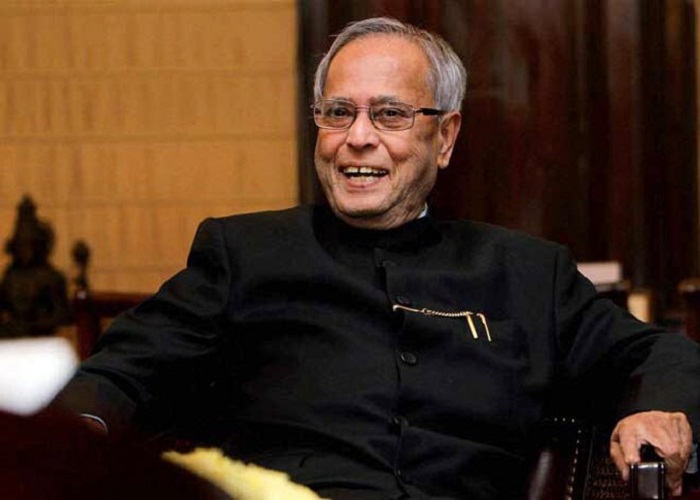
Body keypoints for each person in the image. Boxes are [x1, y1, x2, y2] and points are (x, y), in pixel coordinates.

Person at [55, 17, 699, 499]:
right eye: (339, 113)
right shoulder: (245, 254)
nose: (357, 137)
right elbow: (122, 372)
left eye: (389, 114)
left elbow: (659, 354)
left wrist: (657, 410)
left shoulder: (527, 272)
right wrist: (68, 434)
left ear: (444, 137)